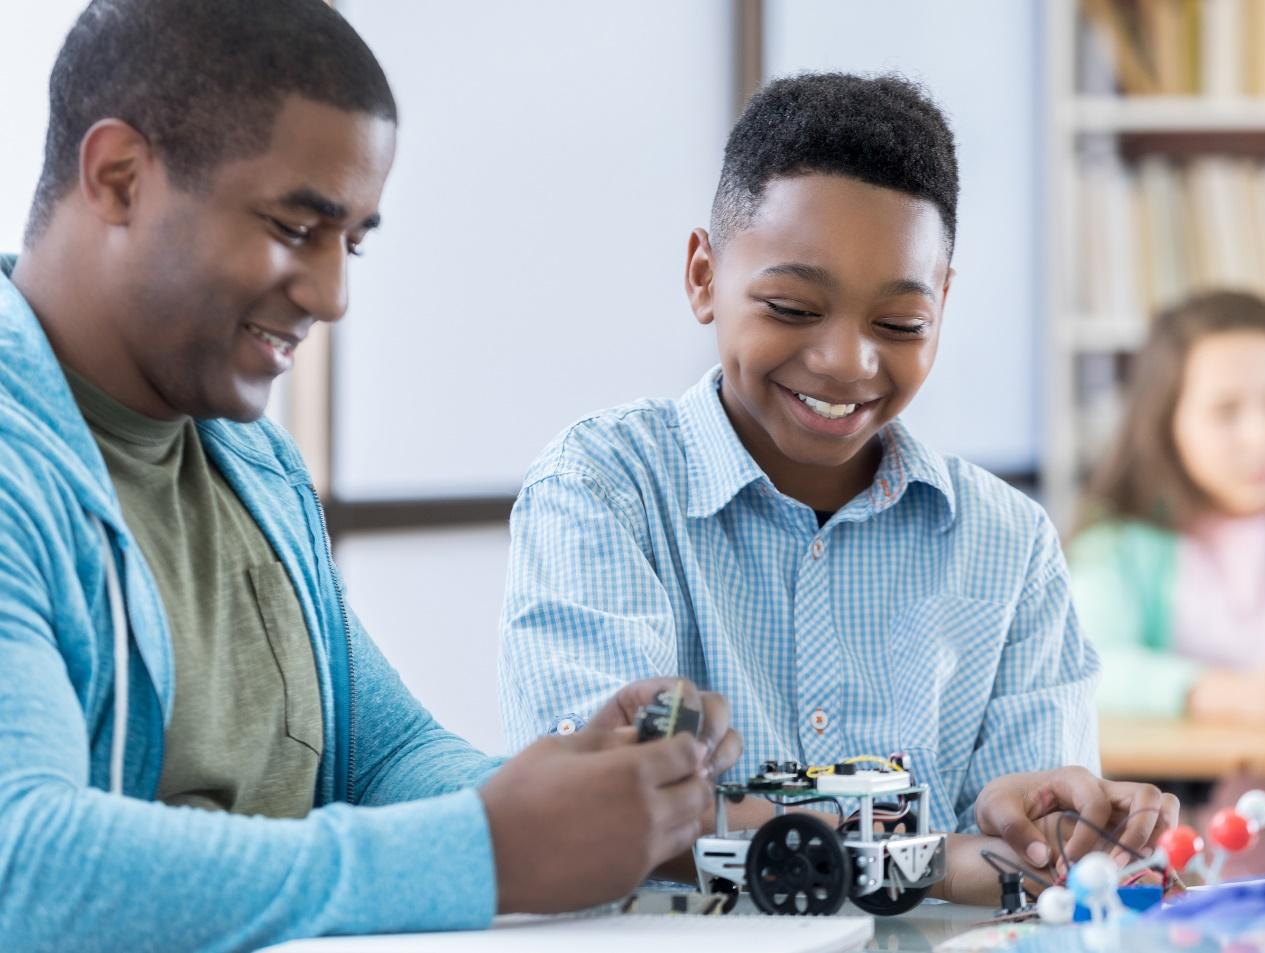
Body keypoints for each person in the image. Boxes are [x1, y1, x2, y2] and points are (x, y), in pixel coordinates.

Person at [0, 2, 738, 949]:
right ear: (119, 177)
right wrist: (486, 850)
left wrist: (570, 791)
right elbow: (25, 862)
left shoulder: (250, 460)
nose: (332, 296)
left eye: (350, 243)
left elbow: (381, 752)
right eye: (294, 226)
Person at [499, 72, 1178, 904]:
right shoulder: (604, 491)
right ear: (704, 276)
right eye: (791, 305)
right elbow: (604, 817)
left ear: (943, 306)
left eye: (900, 325)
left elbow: (1026, 872)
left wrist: (1041, 831)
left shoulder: (1010, 543)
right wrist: (926, 857)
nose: (847, 362)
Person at [1067, 290, 1265, 875]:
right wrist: (1224, 693)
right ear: (1166, 421)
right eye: (1226, 410)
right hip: (1167, 877)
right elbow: (1083, 666)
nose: (1261, 437)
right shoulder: (1122, 545)